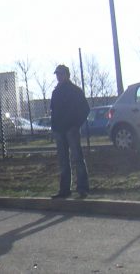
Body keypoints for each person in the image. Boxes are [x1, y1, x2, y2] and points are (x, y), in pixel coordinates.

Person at [49, 64, 90, 199]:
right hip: (59, 131)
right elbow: (53, 111)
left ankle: (82, 188)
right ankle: (65, 189)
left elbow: (85, 109)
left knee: (77, 158)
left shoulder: (75, 91)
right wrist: (54, 128)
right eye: (57, 74)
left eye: (60, 74)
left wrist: (75, 125)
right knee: (63, 161)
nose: (58, 77)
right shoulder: (55, 92)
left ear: (67, 75)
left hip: (71, 130)